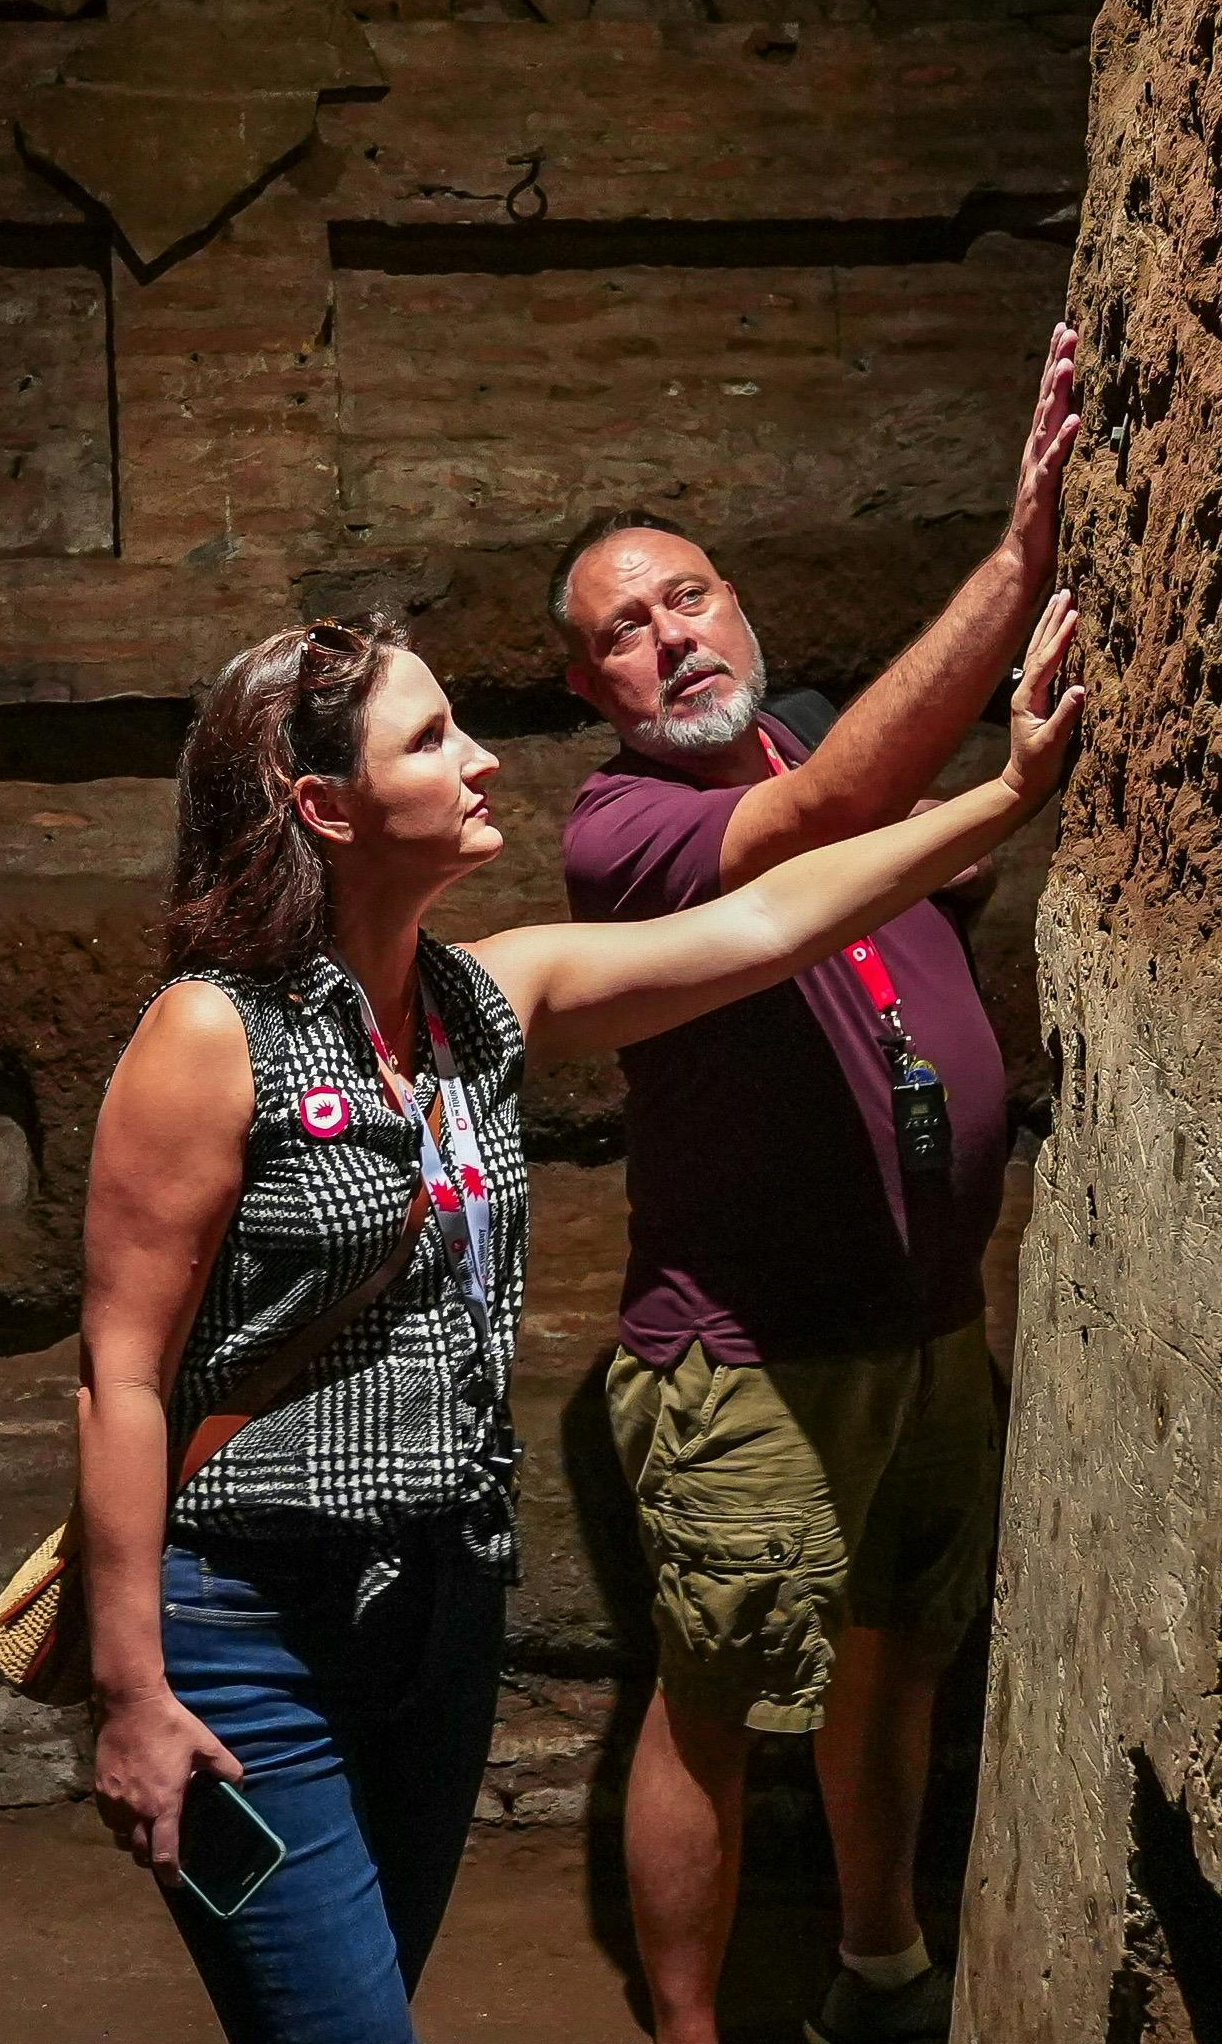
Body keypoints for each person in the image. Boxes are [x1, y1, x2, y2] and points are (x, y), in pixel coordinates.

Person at [77, 599, 1087, 2044]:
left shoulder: (482, 1000)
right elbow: (121, 1377)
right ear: (326, 807)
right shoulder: (212, 1035)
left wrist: (1007, 794)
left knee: (364, 1997)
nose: (482, 759)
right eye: (432, 740)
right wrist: (130, 1688)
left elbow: (768, 920)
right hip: (254, 1628)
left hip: (439, 1608)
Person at [552, 324, 1083, 2044]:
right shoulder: (624, 831)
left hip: (926, 1326)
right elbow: (849, 808)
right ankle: (691, 2034)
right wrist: (1019, 562)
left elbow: (890, 835)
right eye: (623, 631)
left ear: (741, 607)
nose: (669, 637)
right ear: (595, 693)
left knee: (896, 1654)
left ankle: (882, 1965)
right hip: (750, 1356)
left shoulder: (793, 743)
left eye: (688, 596)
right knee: (711, 1705)